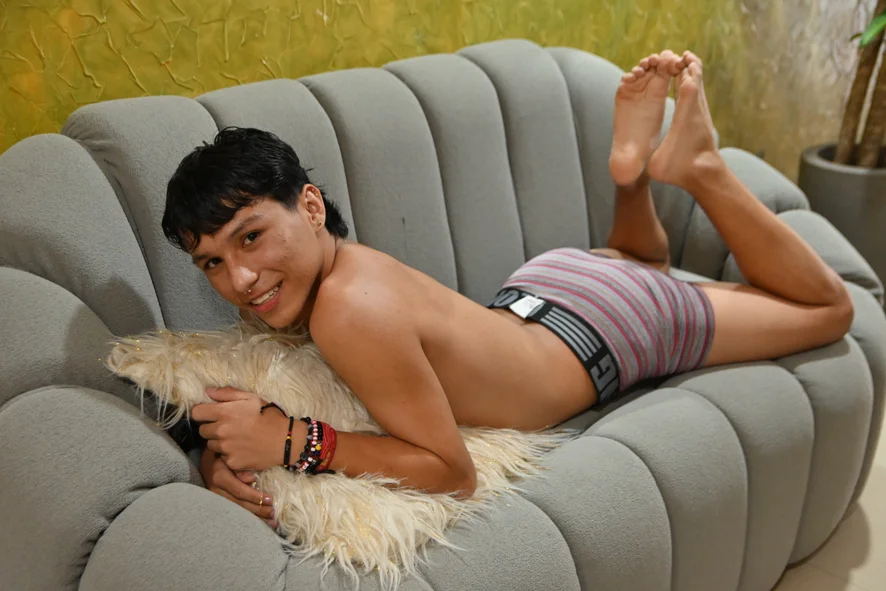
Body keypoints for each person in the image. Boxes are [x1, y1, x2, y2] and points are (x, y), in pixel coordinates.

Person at [162, 50, 853, 529]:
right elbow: (279, 383)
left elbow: (451, 471)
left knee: (827, 308)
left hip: (599, 328)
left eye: (251, 236)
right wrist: (220, 452)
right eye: (212, 262)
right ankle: (630, 175)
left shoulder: (347, 308)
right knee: (645, 261)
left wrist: (294, 442)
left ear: (310, 206)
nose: (239, 279)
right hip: (551, 289)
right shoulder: (332, 278)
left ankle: (701, 167)